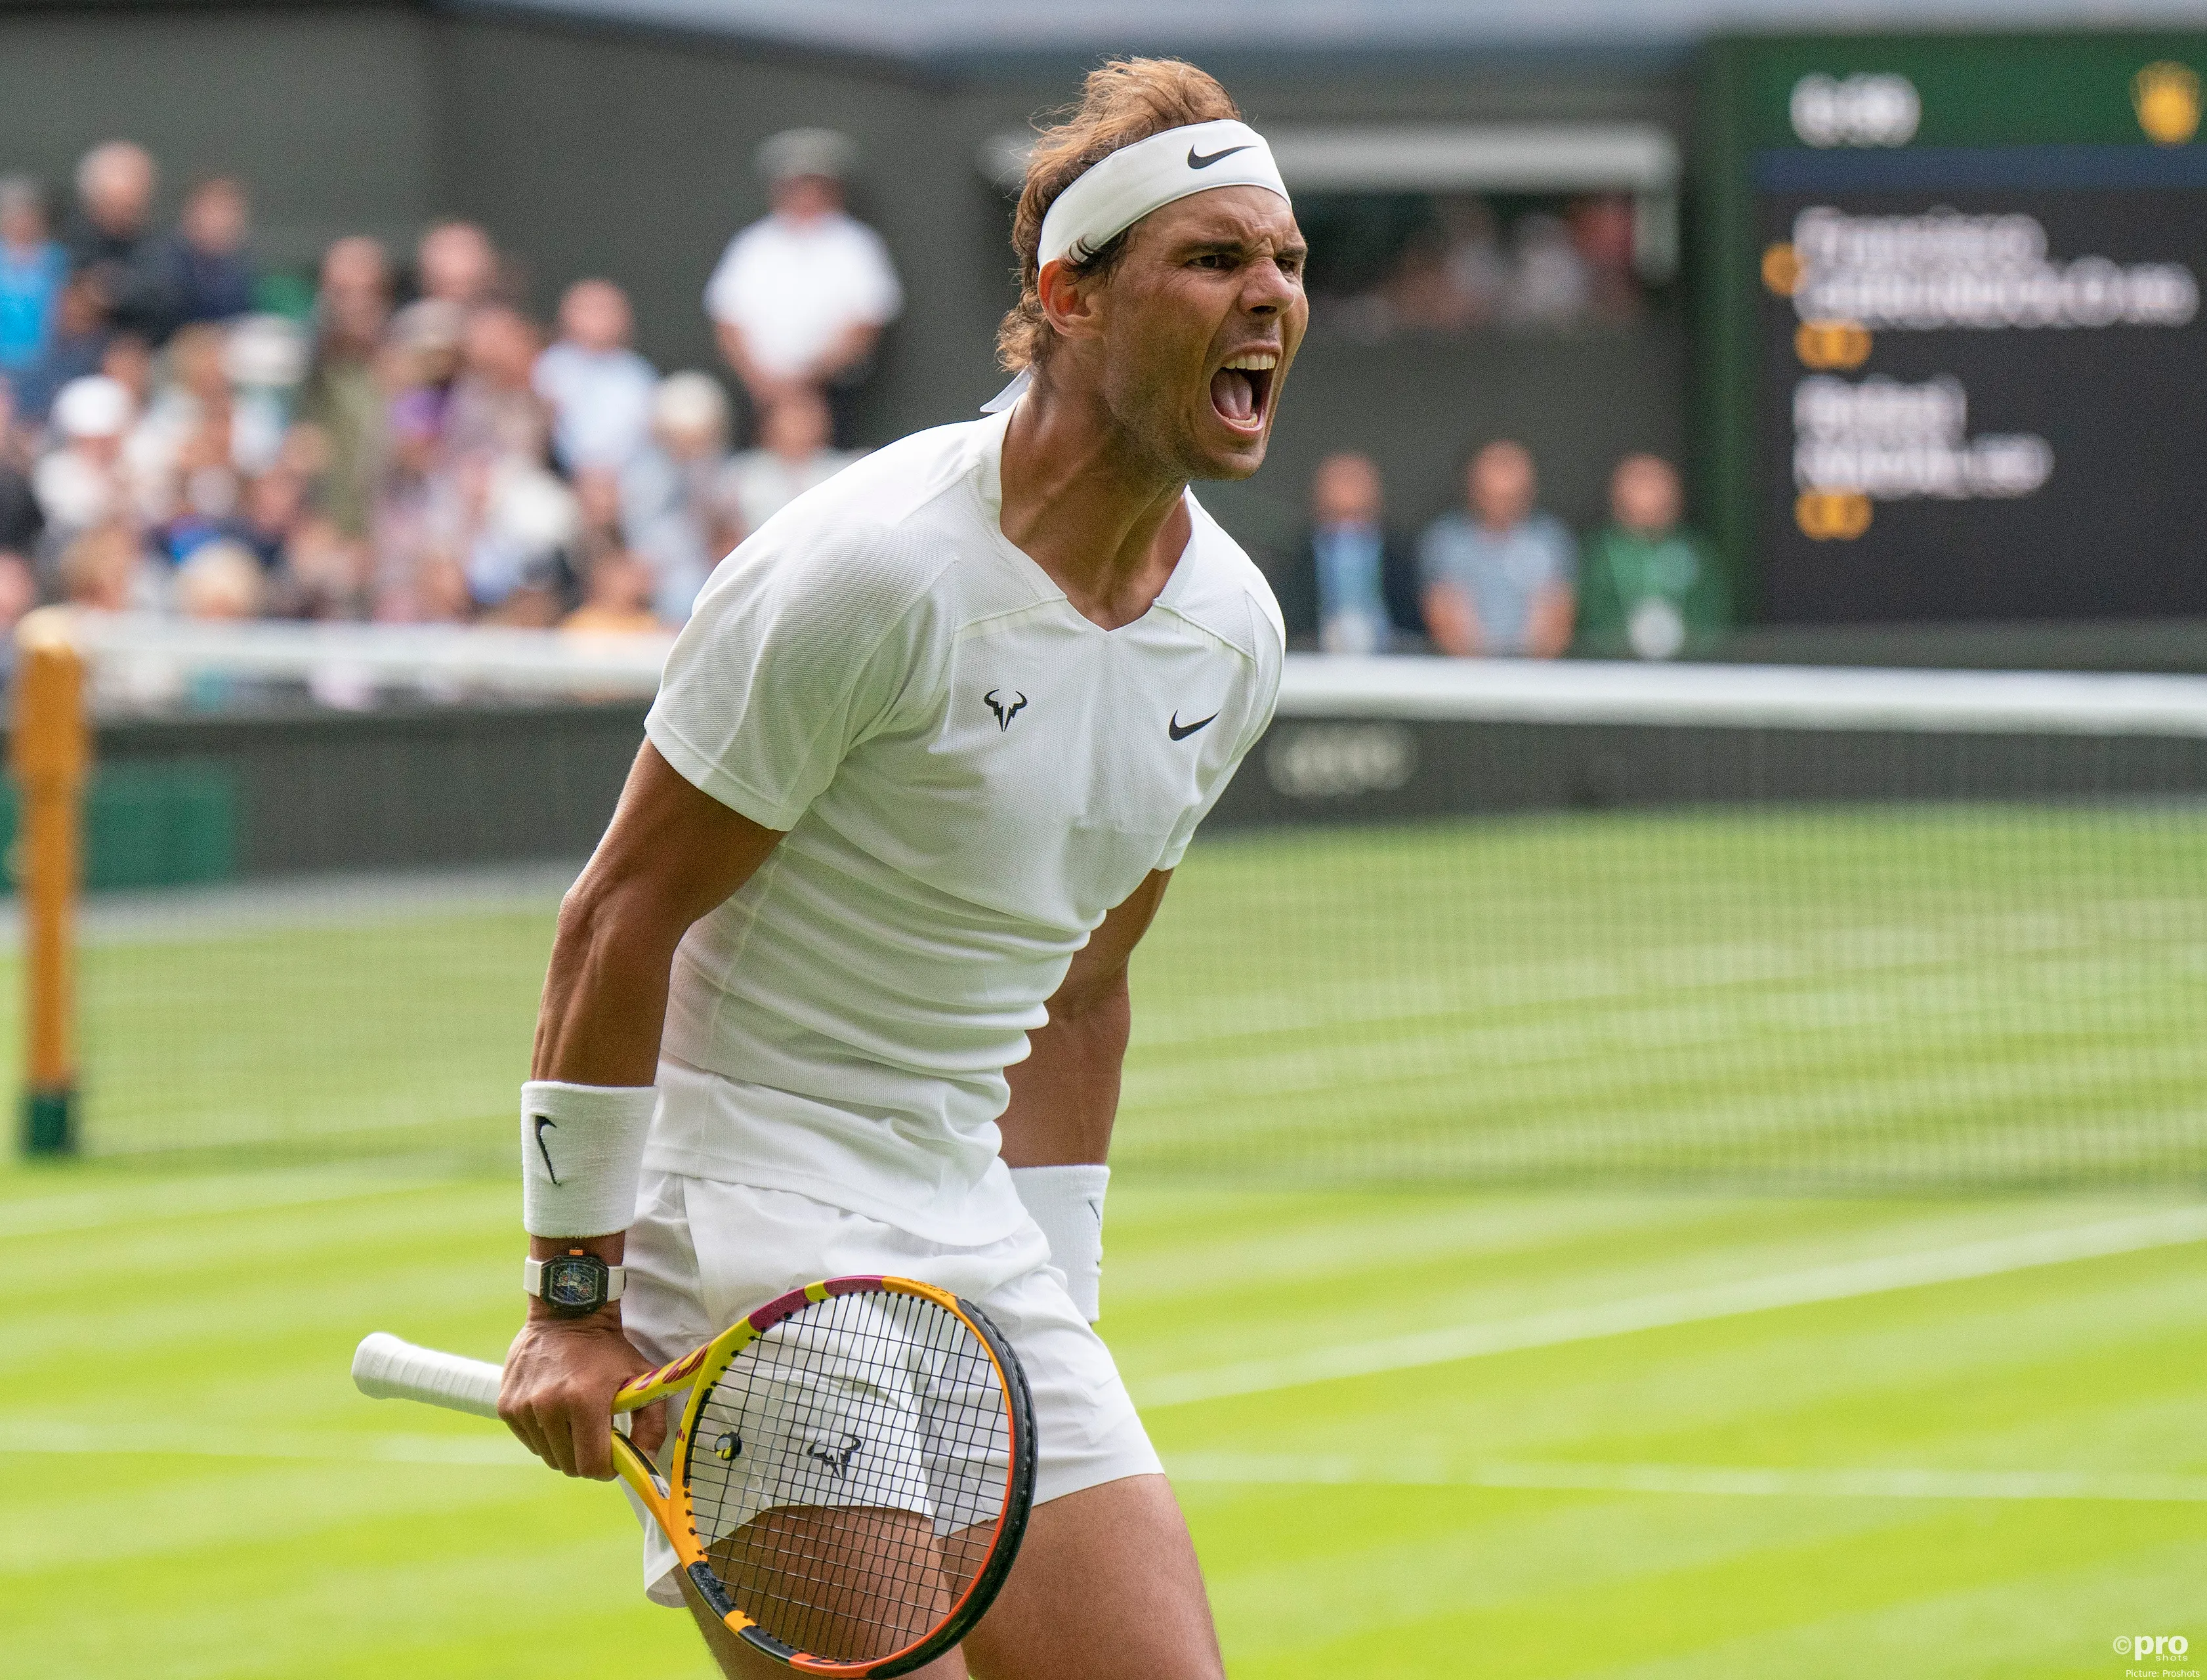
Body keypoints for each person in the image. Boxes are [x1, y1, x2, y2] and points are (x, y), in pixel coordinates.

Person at [498, 56, 1301, 1680]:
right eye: (1213, 261)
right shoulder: (865, 571)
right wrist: (573, 1298)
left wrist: (1048, 1302)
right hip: (750, 1220)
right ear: (1071, 295)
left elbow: (1081, 990)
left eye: (1286, 262)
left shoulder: (1236, 629)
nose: (1270, 297)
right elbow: (618, 917)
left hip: (970, 1222)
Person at [703, 127, 902, 446]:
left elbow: (865, 325)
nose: (805, 196)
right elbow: (727, 322)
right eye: (795, 186)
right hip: (759, 397)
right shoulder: (753, 245)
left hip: (835, 397)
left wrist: (808, 381)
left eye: (814, 186)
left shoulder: (856, 245)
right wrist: (764, 384)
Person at [1418, 438, 1576, 658]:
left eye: (1511, 497)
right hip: (1467, 678)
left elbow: (1558, 622)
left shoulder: (1550, 539)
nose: (1502, 502)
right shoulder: (1446, 540)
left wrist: (1526, 677)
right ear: (1473, 487)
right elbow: (1445, 619)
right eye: (1492, 495)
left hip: (1535, 677)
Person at [1576, 452, 1728, 660]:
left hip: (1686, 673)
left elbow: (1712, 617)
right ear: (1618, 494)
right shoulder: (1599, 552)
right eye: (1640, 483)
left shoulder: (1695, 550)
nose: (1650, 492)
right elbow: (1589, 618)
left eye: (1658, 483)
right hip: (1615, 672)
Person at [1270, 450, 1422, 653]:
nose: (1347, 490)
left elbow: (1415, 617)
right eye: (1340, 481)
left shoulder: (1402, 554)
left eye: (1355, 481)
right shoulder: (1292, 557)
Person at [534, 279, 658, 475]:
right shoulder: (552, 365)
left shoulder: (637, 372)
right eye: (588, 310)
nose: (596, 319)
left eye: (605, 310)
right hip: (563, 474)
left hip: (629, 476)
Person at [715, 385, 857, 536]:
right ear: (768, 424)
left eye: (806, 415)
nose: (798, 425)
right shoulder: (741, 472)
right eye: (790, 417)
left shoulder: (847, 470)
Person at [64, 141, 171, 342]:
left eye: (131, 206)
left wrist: (111, 291)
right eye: (112, 205)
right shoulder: (71, 244)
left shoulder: (157, 246)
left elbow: (163, 298)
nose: (122, 214)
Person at [159, 176, 257, 330]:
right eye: (214, 211)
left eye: (229, 212)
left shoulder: (241, 270)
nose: (222, 221)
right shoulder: (164, 260)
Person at [0, 177, 67, 378]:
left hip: (46, 362)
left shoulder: (55, 258)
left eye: (27, 215)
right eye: (13, 215)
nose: (21, 223)